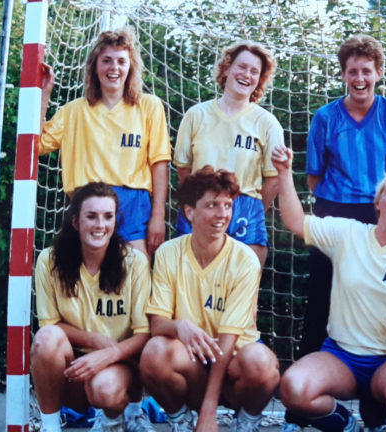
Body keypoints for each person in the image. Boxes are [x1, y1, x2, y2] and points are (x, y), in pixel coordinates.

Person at [273, 146, 386, 432]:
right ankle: (346, 425)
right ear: (378, 202)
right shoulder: (348, 234)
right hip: (342, 356)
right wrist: (285, 173)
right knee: (294, 388)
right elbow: (295, 222)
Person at [140, 166, 280, 432]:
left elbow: (227, 341)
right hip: (192, 366)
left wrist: (209, 413)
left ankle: (246, 420)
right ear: (189, 212)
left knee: (263, 364)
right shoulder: (170, 253)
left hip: (234, 366)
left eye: (227, 205)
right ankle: (180, 420)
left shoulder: (245, 259)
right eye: (213, 205)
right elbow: (157, 324)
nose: (222, 214)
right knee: (154, 353)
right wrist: (179, 326)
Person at [301, 33, 386, 356]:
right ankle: (309, 374)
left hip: (379, 215)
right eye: (353, 71)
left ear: (379, 72)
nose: (360, 78)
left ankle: (382, 370)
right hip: (333, 213)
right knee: (323, 291)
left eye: (367, 71)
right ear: (343, 75)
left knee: (381, 292)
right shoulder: (325, 117)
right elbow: (314, 175)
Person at [31, 183, 155, 432]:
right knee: (46, 338)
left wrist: (108, 354)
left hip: (121, 365)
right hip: (74, 368)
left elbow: (144, 333)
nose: (100, 225)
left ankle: (120, 417)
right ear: (75, 222)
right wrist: (95, 342)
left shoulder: (134, 262)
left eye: (108, 216)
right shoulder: (49, 260)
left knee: (105, 389)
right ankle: (50, 426)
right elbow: (50, 324)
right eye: (92, 216)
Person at [39, 27, 171, 259]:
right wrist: (44, 94)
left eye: (121, 61)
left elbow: (159, 164)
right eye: (106, 61)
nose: (114, 68)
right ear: (94, 66)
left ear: (131, 66)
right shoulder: (74, 111)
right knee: (85, 278)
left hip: (133, 203)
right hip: (88, 202)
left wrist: (158, 215)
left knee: (136, 275)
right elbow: (36, 144)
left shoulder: (149, 106)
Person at [174, 41, 282, 266]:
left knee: (241, 291)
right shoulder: (196, 115)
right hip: (199, 205)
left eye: (255, 71)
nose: (247, 75)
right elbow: (183, 169)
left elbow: (273, 179)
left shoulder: (267, 123)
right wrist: (200, 202)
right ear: (226, 68)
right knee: (189, 286)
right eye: (242, 67)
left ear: (260, 79)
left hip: (245, 208)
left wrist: (248, 210)